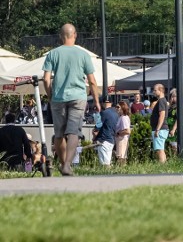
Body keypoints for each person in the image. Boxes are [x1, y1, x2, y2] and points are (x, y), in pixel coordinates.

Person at [42, 23, 100, 176]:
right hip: (78, 97)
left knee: (59, 134)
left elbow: (46, 79)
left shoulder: (53, 54)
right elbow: (92, 81)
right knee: (74, 132)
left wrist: (50, 95)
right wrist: (97, 101)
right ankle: (67, 165)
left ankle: (62, 164)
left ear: (61, 36)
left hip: (58, 98)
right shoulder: (83, 55)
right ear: (75, 35)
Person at [95, 97, 119, 166]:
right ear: (111, 103)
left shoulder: (104, 113)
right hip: (111, 139)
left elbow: (98, 126)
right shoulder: (116, 113)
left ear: (102, 103)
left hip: (104, 140)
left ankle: (108, 176)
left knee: (104, 164)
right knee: (108, 161)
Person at [149, 84, 169, 163]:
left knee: (159, 150)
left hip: (160, 129)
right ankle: (164, 165)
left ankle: (162, 165)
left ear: (160, 90)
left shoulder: (161, 101)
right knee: (161, 149)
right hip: (161, 128)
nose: (154, 92)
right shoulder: (163, 100)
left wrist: (157, 129)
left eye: (155, 90)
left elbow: (162, 115)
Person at [114, 101, 131, 166]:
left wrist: (118, 133)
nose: (116, 108)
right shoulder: (120, 117)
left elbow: (127, 131)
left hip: (122, 140)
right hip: (120, 140)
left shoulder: (124, 118)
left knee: (121, 157)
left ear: (122, 108)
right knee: (121, 157)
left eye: (118, 107)